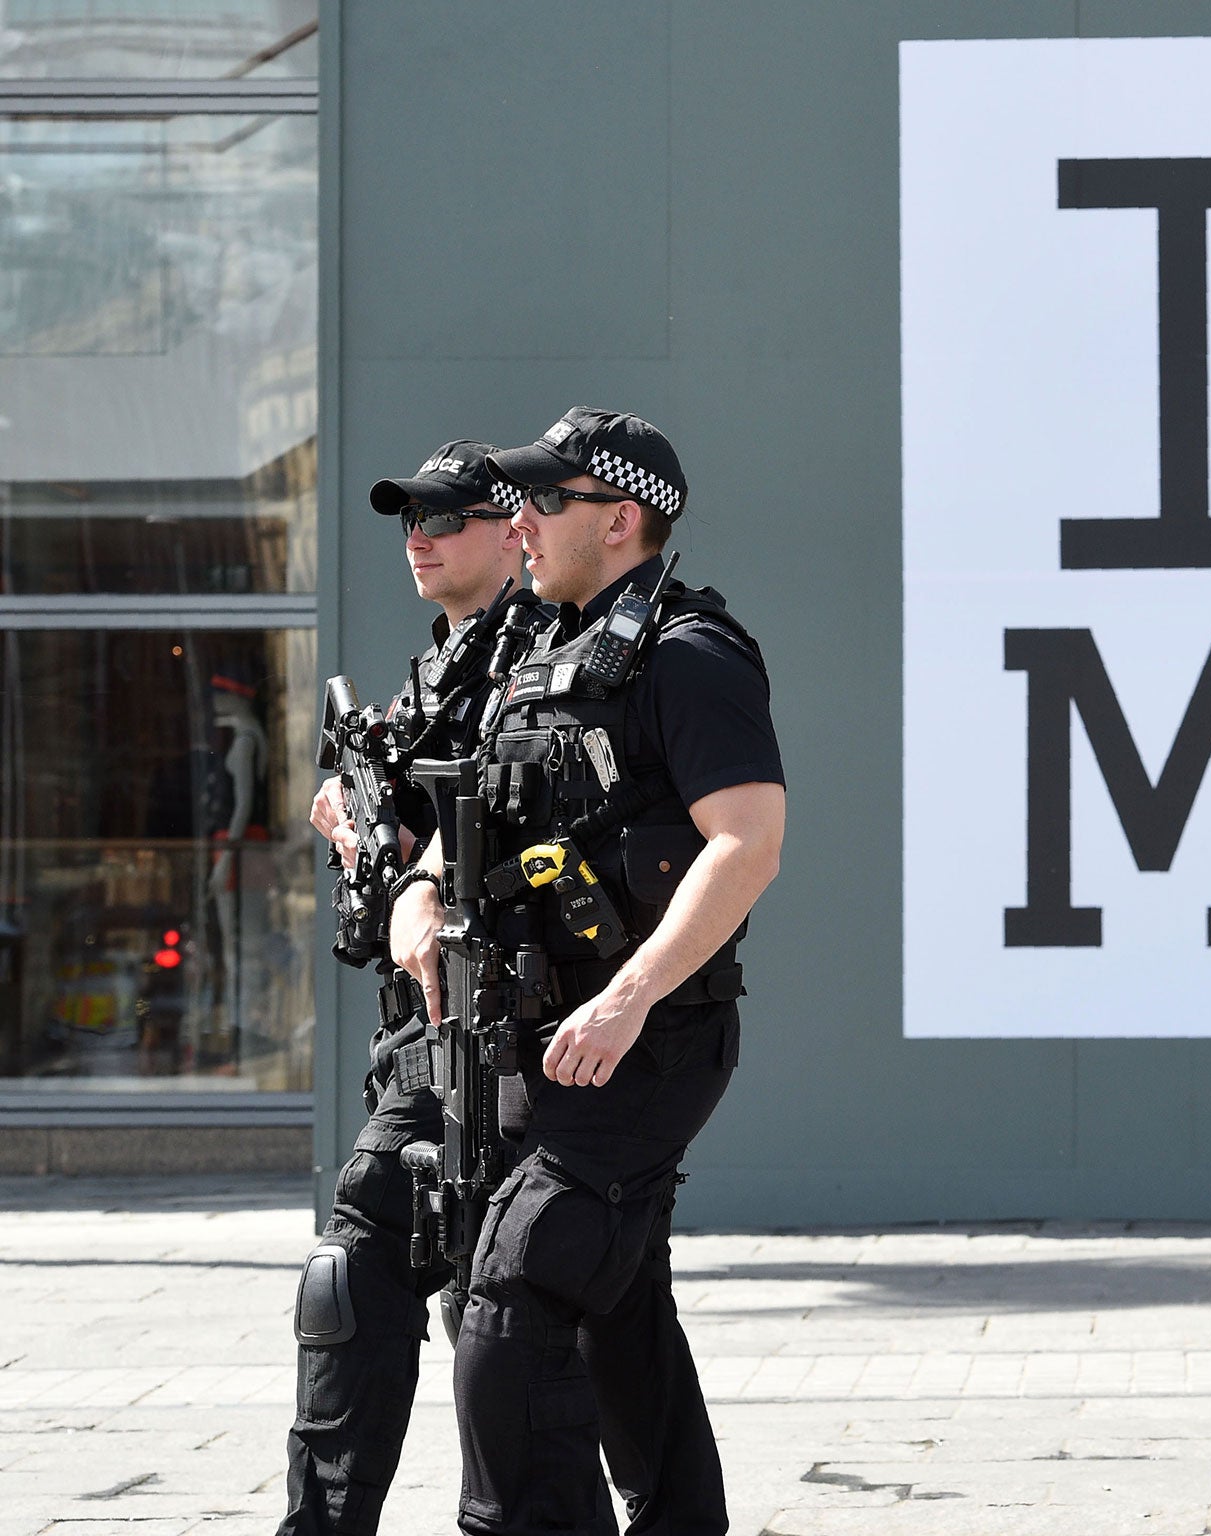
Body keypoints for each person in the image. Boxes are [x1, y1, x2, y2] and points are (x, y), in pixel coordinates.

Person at [387, 406, 785, 1536]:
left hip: (638, 1044)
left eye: (543, 500)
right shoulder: (535, 653)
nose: (520, 517)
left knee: (511, 1302)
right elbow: (459, 816)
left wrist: (628, 993)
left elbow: (746, 843)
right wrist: (417, 890)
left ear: (619, 521)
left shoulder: (686, 654)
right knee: (617, 1313)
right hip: (527, 1038)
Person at [280, 440, 525, 1536]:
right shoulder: (441, 662)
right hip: (418, 1023)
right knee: (416, 1277)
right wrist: (347, 813)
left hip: (498, 1023)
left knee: (430, 1277)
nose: (417, 537)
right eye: (407, 519)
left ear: (512, 530)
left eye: (445, 517)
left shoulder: (537, 655)